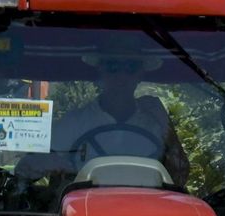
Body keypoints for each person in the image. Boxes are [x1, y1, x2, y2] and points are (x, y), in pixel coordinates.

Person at [43, 53, 188, 186]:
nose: (121, 75)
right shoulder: (73, 123)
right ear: (100, 70)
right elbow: (31, 168)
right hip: (84, 210)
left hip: (149, 210)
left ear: (140, 74)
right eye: (112, 66)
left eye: (131, 67)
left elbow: (180, 176)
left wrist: (165, 124)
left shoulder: (156, 123)